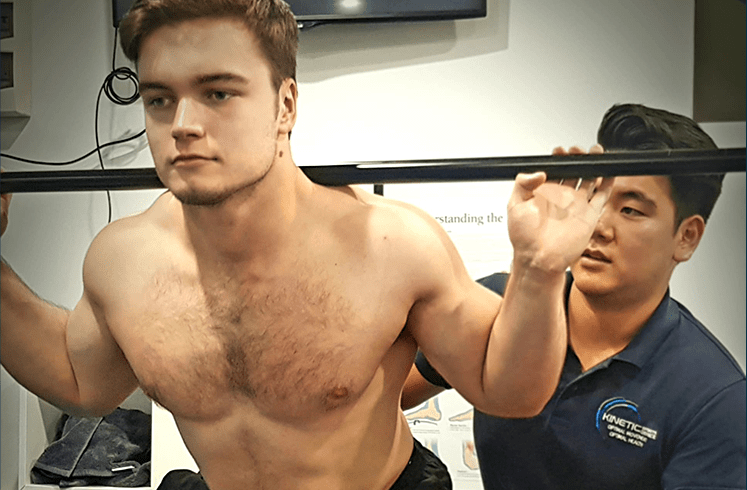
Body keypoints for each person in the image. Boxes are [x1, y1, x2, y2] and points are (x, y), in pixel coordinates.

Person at [0, 1, 614, 489]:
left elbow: (508, 391)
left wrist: (537, 269)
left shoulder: (390, 245)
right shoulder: (123, 259)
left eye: (218, 92)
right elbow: (81, 380)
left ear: (285, 104)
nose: (183, 123)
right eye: (160, 98)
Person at [402, 103, 747, 490]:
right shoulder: (501, 303)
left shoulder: (714, 397)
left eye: (631, 210)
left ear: (686, 237)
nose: (597, 226)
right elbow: (375, 395)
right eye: (596, 198)